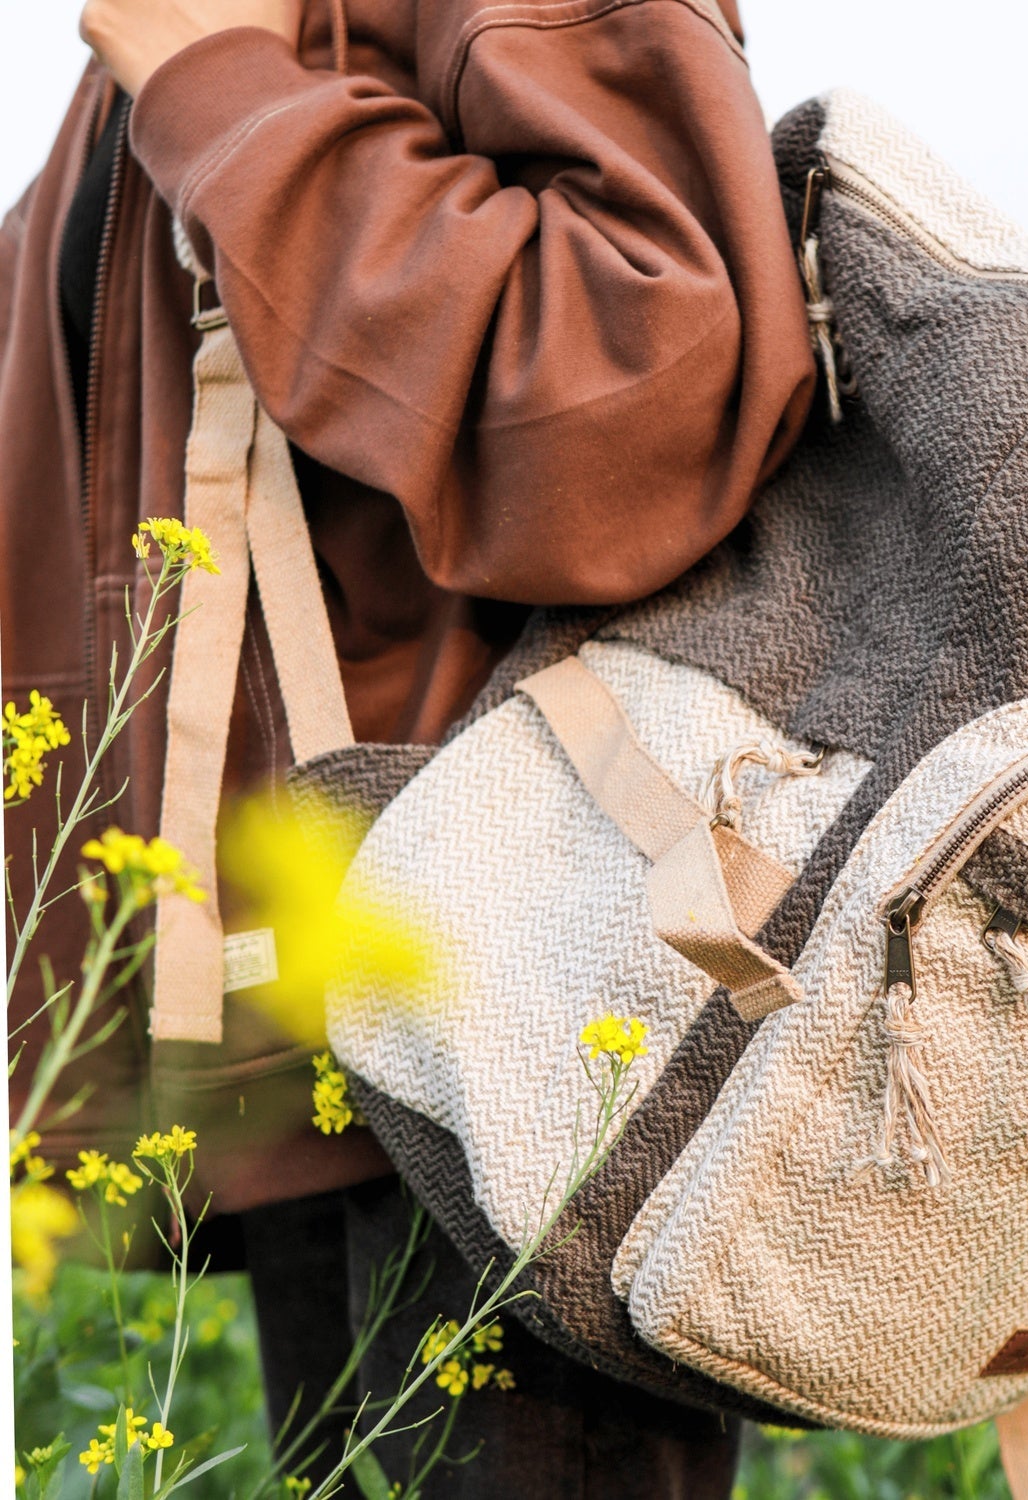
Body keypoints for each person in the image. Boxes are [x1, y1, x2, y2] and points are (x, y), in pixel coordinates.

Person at [0, 0, 814, 1492]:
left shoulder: (211, 32)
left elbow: (645, 407)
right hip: (317, 1048)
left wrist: (225, 93)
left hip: (512, 1046)